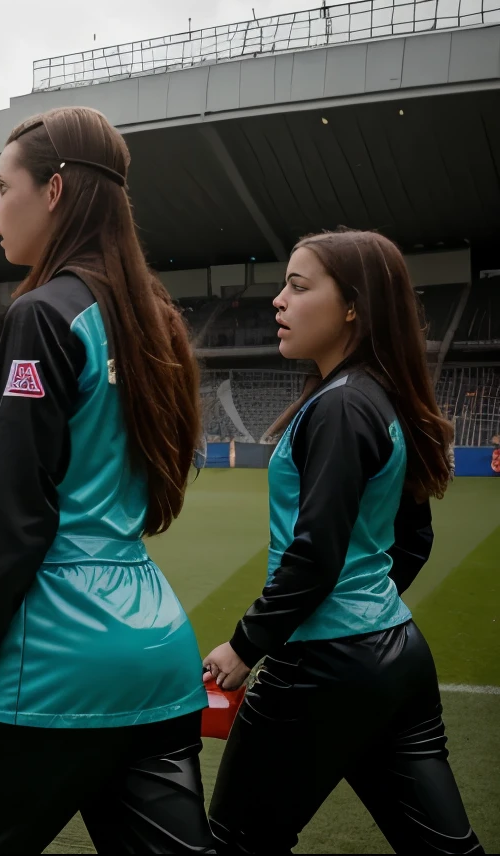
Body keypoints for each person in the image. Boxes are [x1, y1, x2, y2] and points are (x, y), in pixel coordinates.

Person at [0, 107, 212, 853]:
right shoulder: (155, 317)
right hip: (157, 660)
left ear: (52, 192)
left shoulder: (43, 315)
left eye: (0, 186)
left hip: (55, 666)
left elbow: (13, 515)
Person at [202, 230, 481, 853]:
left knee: (233, 844)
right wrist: (366, 618)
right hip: (396, 655)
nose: (278, 301)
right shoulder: (374, 397)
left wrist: (246, 644)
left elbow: (316, 553)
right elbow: (413, 540)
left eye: (298, 287)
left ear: (353, 305)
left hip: (320, 667)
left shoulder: (341, 404)